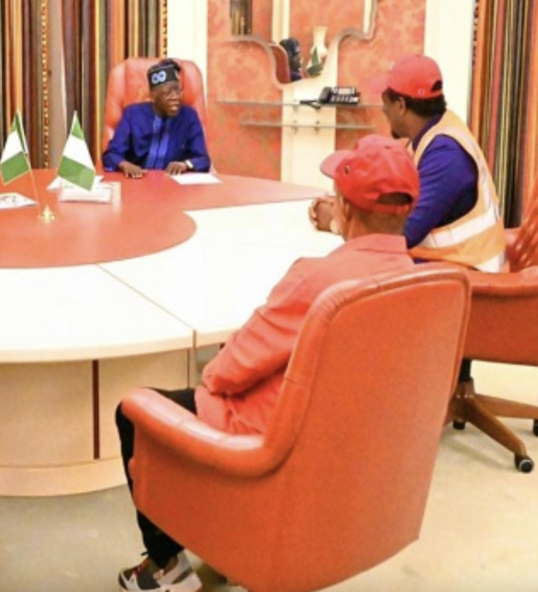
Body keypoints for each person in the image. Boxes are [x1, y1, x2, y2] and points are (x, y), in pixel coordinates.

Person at [115, 135, 419, 592]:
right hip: (352, 449)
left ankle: (166, 568)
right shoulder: (416, 279)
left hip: (272, 442)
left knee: (134, 413)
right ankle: (229, 546)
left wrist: (213, 375)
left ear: (345, 208)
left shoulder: (317, 281)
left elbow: (228, 371)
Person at [309, 54, 507, 273]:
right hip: (447, 269)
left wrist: (339, 221)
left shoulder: (446, 156)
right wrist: (349, 206)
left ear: (401, 106)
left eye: (385, 102)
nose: (383, 110)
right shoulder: (431, 135)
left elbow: (399, 234)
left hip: (471, 280)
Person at [102, 58, 212, 179]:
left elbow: (203, 159)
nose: (175, 97)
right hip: (137, 182)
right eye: (167, 93)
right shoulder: (132, 115)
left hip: (173, 185)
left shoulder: (189, 116)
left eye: (178, 92)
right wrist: (125, 165)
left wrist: (185, 164)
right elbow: (111, 155)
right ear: (153, 97)